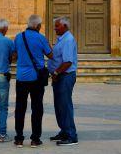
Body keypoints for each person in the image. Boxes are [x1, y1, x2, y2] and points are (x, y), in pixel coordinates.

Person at [14, 14, 53, 148]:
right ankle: (35, 139)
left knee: (20, 108)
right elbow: (50, 54)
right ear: (37, 26)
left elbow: (14, 54)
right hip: (36, 78)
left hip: (21, 77)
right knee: (37, 108)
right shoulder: (41, 38)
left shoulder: (19, 37)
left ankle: (19, 138)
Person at [49, 17, 78, 146]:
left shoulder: (68, 40)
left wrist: (56, 72)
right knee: (59, 105)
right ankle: (64, 130)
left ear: (65, 26)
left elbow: (68, 62)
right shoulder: (61, 39)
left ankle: (71, 135)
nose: (55, 28)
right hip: (60, 76)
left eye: (57, 26)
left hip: (64, 76)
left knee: (65, 105)